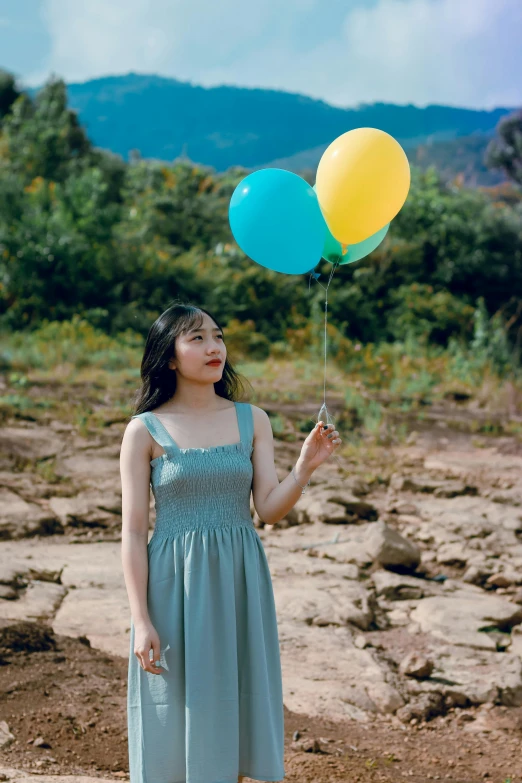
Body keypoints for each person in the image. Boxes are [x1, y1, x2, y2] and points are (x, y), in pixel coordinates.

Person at [120, 301, 342, 783]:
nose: (213, 347)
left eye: (217, 336)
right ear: (170, 357)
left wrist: (304, 467)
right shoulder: (143, 430)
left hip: (240, 576)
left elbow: (269, 509)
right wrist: (140, 620)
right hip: (171, 582)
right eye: (196, 338)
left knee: (236, 697)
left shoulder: (252, 419)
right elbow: (134, 532)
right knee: (176, 702)